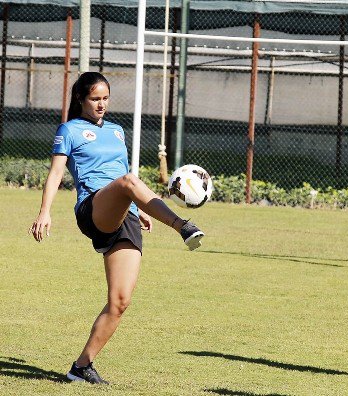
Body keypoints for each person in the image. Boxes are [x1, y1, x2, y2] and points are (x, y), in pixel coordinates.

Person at [29, 72, 205, 385]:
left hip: (125, 214)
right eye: (95, 99)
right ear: (81, 99)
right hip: (93, 209)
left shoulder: (117, 131)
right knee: (128, 182)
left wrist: (139, 209)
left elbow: (123, 173)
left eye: (105, 98)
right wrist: (45, 212)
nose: (101, 104)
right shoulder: (69, 130)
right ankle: (183, 226)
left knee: (120, 302)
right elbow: (56, 173)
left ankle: (81, 367)